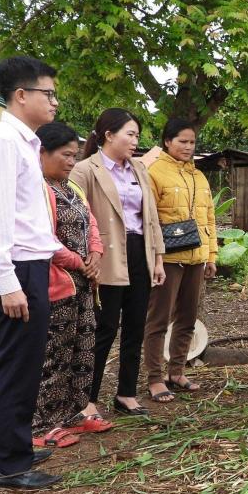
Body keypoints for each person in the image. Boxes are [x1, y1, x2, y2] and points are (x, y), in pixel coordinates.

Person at [0, 56, 62, 490]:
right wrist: (7, 282)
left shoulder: (23, 142)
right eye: (48, 93)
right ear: (21, 95)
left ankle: (16, 446)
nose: (55, 102)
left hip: (30, 263)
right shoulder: (2, 142)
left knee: (27, 362)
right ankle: (9, 463)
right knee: (17, 363)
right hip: (15, 268)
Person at [71, 109, 166, 416]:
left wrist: (159, 259)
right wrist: (86, 258)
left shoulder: (138, 169)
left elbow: (150, 218)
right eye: (130, 134)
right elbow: (76, 219)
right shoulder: (86, 170)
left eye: (137, 135)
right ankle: (87, 399)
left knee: (136, 325)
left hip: (140, 252)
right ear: (108, 135)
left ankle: (126, 393)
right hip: (105, 256)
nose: (135, 141)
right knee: (104, 328)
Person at [31, 121, 115, 447]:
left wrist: (96, 254)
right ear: (42, 153)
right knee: (55, 355)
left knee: (82, 352)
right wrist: (81, 263)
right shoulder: (38, 190)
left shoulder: (72, 189)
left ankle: (74, 413)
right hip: (58, 285)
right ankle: (43, 424)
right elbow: (44, 240)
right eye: (65, 155)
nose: (71, 161)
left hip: (84, 286)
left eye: (74, 155)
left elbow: (91, 225)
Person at [143, 119, 218, 402]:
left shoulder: (199, 176)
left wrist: (211, 255)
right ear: (167, 141)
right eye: (182, 141)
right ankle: (154, 377)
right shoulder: (154, 172)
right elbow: (148, 218)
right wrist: (156, 257)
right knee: (159, 319)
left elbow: (209, 218)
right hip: (168, 258)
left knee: (187, 317)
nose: (188, 147)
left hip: (196, 258)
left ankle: (176, 371)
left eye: (192, 142)